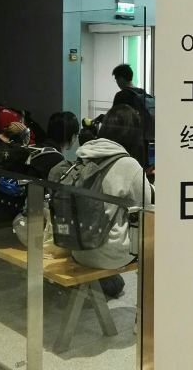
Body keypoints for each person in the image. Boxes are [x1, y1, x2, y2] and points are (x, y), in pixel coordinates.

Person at [50, 104, 152, 270]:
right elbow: (147, 207)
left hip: (79, 248)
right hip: (111, 254)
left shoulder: (85, 154)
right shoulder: (129, 164)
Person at [111, 63, 154, 166]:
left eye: (116, 79)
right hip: (144, 140)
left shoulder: (121, 95)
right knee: (142, 168)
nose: (117, 83)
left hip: (128, 142)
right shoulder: (142, 92)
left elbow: (113, 120)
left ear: (121, 78)